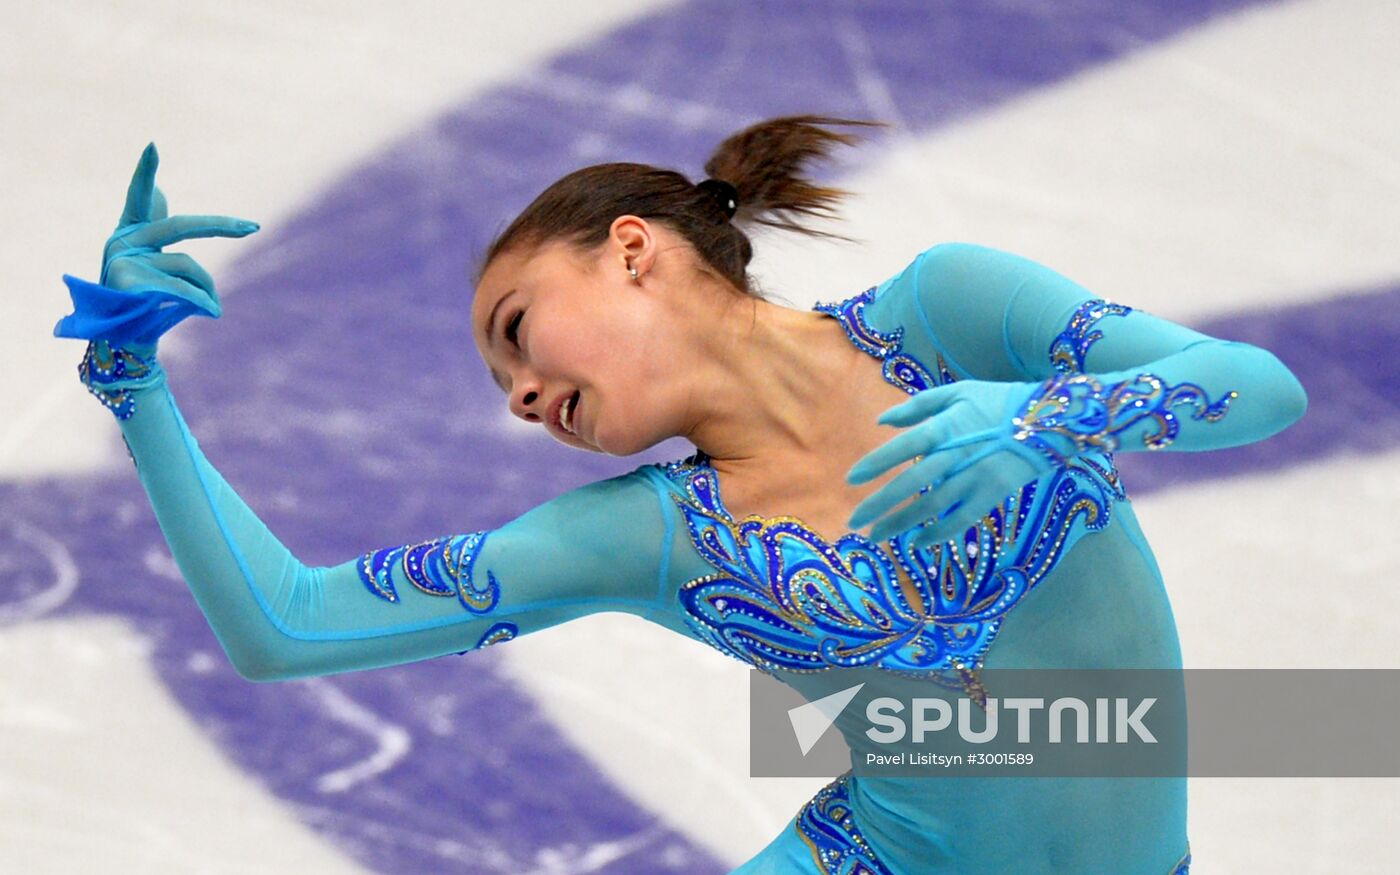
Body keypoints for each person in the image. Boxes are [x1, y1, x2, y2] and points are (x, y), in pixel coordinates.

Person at [55, 116, 1307, 874]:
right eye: (507, 386)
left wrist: (1047, 412)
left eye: (517, 330)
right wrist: (133, 383)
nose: (521, 395)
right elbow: (290, 624)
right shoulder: (644, 534)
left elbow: (1255, 386)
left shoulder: (951, 313)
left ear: (632, 252)